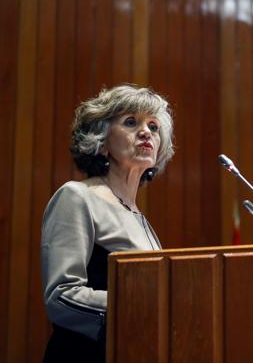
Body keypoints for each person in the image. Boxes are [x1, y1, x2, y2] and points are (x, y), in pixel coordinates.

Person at [40, 85, 174, 363]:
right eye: (130, 122)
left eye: (154, 126)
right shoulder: (77, 197)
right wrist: (140, 306)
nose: (146, 132)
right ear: (101, 141)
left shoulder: (141, 219)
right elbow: (61, 296)